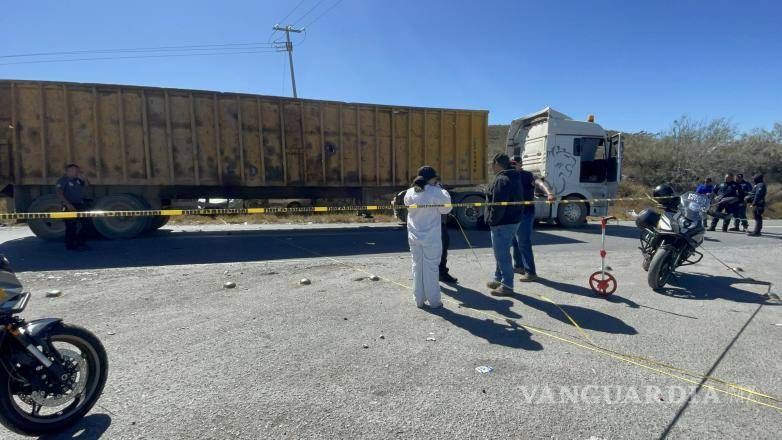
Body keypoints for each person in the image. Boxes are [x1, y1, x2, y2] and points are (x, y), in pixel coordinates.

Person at [404, 166, 452, 308]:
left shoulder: (409, 192)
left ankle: (419, 299)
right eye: (435, 178)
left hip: (413, 235)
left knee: (417, 266)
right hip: (431, 237)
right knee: (431, 268)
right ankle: (434, 301)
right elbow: (446, 209)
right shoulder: (436, 192)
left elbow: (408, 204)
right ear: (430, 179)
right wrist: (440, 189)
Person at [509, 155, 555, 281]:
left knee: (523, 242)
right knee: (514, 241)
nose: (513, 166)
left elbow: (540, 182)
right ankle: (519, 266)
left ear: (520, 165)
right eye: (511, 164)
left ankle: (531, 272)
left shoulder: (527, 175)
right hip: (513, 214)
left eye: (515, 164)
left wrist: (549, 193)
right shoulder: (509, 176)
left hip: (526, 213)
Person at [484, 154, 523, 297]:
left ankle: (507, 285)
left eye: (492, 164)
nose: (491, 167)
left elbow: (498, 206)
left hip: (503, 223)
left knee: (502, 254)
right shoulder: (513, 176)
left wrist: (492, 221)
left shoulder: (502, 179)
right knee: (501, 252)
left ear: (496, 163)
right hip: (513, 221)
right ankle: (498, 278)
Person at [55, 164, 90, 250]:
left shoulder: (77, 180)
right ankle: (70, 245)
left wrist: (85, 177)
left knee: (86, 223)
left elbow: (86, 185)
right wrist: (67, 204)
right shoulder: (62, 181)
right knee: (71, 226)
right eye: (74, 170)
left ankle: (80, 242)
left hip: (79, 205)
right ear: (68, 171)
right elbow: (59, 193)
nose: (76, 172)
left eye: (77, 170)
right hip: (69, 205)